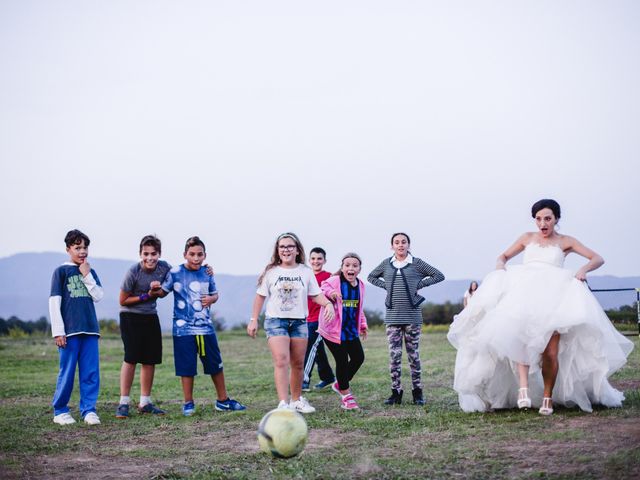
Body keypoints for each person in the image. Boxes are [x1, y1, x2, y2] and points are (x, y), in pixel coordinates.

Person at [448, 199, 634, 415]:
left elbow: (597, 258)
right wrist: (501, 269)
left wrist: (583, 269)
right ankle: (523, 390)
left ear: (556, 219)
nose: (543, 223)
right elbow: (503, 256)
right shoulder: (527, 238)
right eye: (538, 219)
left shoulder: (566, 241)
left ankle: (547, 397)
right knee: (519, 340)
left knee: (551, 351)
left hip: (554, 297)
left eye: (547, 218)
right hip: (524, 294)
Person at [247, 232, 335, 413]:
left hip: (299, 322)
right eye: (282, 247)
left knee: (297, 363)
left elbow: (315, 294)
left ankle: (296, 400)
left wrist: (327, 304)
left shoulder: (305, 271)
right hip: (276, 321)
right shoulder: (271, 272)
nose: (286, 249)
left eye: (290, 246)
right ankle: (283, 403)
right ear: (278, 251)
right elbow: (260, 296)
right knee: (281, 360)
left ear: (297, 250)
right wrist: (253, 319)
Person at [160, 236, 246, 416]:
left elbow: (215, 294)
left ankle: (223, 401)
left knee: (215, 364)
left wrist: (211, 299)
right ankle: (188, 403)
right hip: (183, 330)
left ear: (205, 255)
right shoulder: (175, 272)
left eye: (200, 254)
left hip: (205, 328)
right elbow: (162, 292)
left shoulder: (207, 272)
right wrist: (153, 289)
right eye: (192, 254)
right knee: (187, 367)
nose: (196, 258)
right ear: (185, 255)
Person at [368, 233, 445, 406]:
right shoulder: (386, 264)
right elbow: (371, 277)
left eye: (404, 242)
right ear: (392, 246)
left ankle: (417, 392)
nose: (400, 245)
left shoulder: (416, 263)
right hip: (392, 316)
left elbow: (438, 275)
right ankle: (396, 393)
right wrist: (385, 286)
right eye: (397, 242)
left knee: (413, 356)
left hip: (413, 316)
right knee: (394, 357)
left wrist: (419, 284)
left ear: (408, 245)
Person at [49, 229, 104, 425]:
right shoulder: (61, 272)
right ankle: (60, 411)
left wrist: (87, 275)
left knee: (90, 372)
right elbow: (54, 302)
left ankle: (89, 410)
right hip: (69, 332)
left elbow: (98, 296)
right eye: (77, 247)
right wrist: (58, 331)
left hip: (90, 330)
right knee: (68, 371)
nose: (82, 252)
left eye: (85, 247)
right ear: (68, 249)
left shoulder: (90, 271)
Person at [115, 235, 170, 418]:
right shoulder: (133, 272)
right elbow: (122, 300)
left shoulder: (164, 268)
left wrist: (206, 269)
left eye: (153, 254)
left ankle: (145, 402)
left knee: (150, 359)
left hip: (150, 316)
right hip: (130, 316)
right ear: (140, 254)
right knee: (131, 358)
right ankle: (123, 402)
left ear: (159, 254)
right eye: (145, 254)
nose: (150, 258)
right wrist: (146, 295)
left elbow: (180, 275)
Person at [318, 253, 368, 410]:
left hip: (350, 330)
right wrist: (331, 294)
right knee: (341, 360)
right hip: (332, 330)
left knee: (358, 357)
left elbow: (359, 308)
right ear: (342, 267)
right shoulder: (335, 281)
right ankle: (346, 396)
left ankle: (340, 383)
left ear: (359, 269)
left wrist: (362, 324)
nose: (351, 268)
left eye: (355, 265)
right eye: (347, 265)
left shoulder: (360, 285)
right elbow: (322, 287)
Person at [301, 247, 336, 392]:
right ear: (309, 260)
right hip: (305, 318)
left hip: (320, 319)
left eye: (319, 258)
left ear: (324, 260)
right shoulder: (305, 275)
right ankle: (328, 377)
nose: (316, 261)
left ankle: (303, 380)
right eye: (313, 259)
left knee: (310, 349)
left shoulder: (329, 277)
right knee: (318, 348)